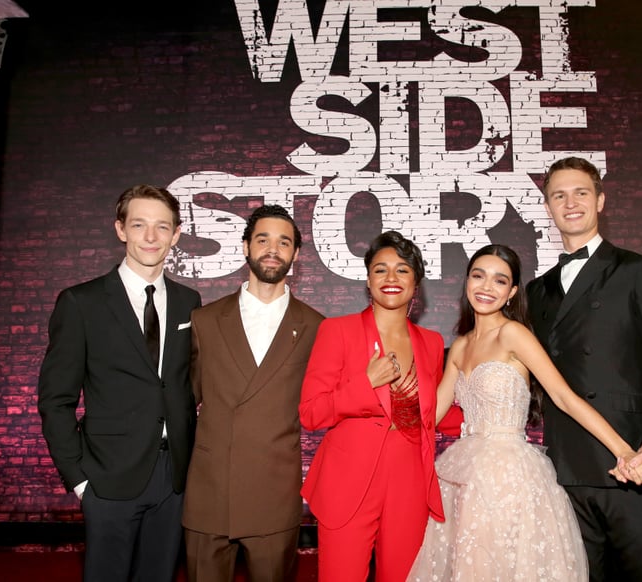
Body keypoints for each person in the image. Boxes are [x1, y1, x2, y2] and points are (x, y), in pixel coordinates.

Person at [408, 244, 642, 581]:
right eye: (479, 276)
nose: (486, 287)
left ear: (512, 293)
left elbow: (564, 397)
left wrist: (623, 449)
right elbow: (430, 417)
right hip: (463, 474)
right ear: (466, 283)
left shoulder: (514, 334)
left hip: (510, 476)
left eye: (499, 280)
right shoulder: (461, 345)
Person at [526, 156, 642, 581]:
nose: (571, 203)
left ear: (600, 200)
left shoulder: (638, 271)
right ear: (547, 207)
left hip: (632, 463)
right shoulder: (536, 290)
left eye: (581, 192)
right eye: (558, 195)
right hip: (566, 468)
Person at [37, 185, 202, 582]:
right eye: (139, 224)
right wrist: (79, 481)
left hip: (173, 477)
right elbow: (55, 400)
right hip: (107, 477)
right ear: (120, 229)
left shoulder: (188, 301)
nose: (150, 237)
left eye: (162, 227)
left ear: (176, 234)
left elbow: (183, 384)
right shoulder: (81, 302)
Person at [299, 230, 462, 582]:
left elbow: (434, 411)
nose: (391, 278)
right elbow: (311, 412)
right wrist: (365, 383)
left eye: (402, 270)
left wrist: (485, 425)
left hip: (410, 482)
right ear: (368, 279)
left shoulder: (432, 343)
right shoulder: (336, 331)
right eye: (380, 269)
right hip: (348, 482)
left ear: (416, 282)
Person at [181, 204, 324, 582]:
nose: (272, 249)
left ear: (296, 254)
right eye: (263, 240)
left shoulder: (316, 327)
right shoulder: (205, 320)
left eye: (284, 242)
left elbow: (322, 407)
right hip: (209, 491)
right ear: (245, 247)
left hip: (273, 494)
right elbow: (181, 403)